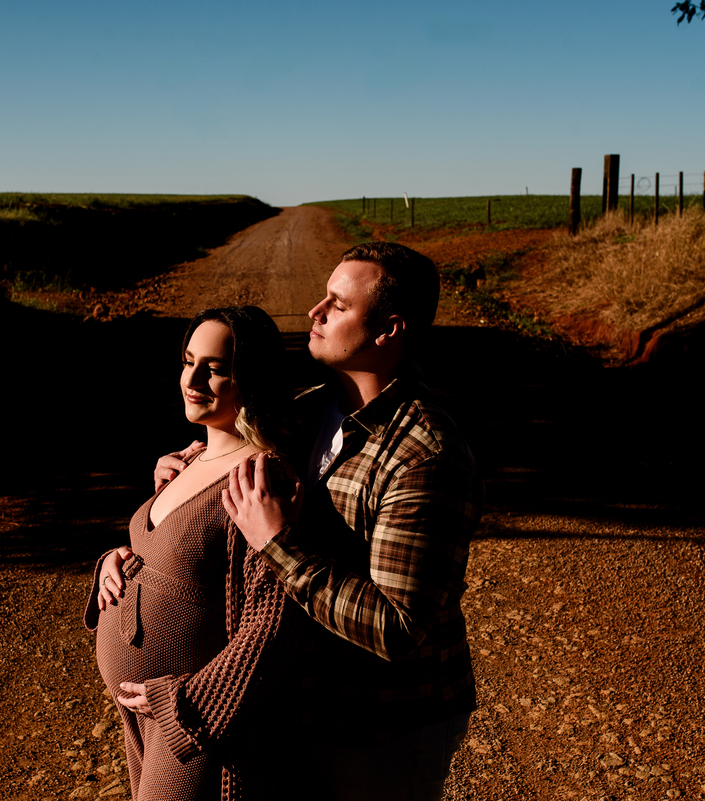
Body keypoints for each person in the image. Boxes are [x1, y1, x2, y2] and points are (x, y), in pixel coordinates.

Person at [156, 242, 482, 801]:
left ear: (389, 330)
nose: (315, 311)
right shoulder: (308, 410)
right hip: (302, 706)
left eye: (337, 303)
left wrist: (279, 543)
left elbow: (396, 628)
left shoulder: (425, 456)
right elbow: (233, 464)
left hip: (381, 727)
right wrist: (179, 481)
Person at [86, 306, 302, 801]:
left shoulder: (260, 481)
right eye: (189, 361)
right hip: (147, 712)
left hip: (198, 726)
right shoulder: (190, 459)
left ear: (252, 378)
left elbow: (274, 625)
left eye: (216, 368)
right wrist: (113, 563)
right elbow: (167, 555)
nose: (194, 379)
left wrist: (187, 703)